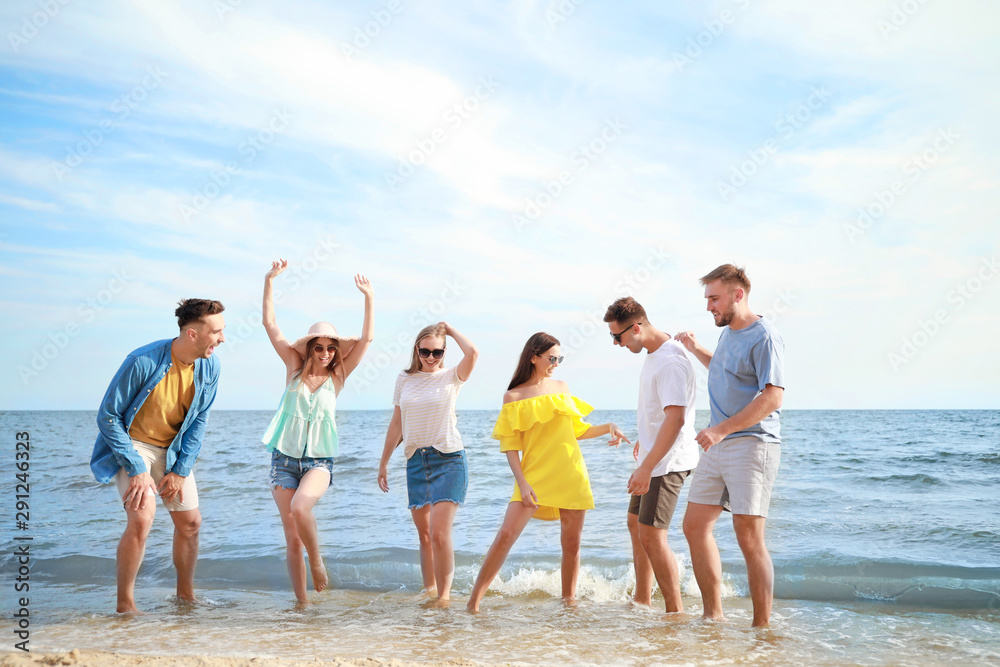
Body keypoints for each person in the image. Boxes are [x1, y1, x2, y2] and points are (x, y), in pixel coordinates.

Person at [467, 332, 630, 612]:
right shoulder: (513, 397)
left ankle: (569, 604)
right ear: (534, 357)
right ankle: (473, 602)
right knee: (506, 535)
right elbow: (510, 446)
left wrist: (610, 426)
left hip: (570, 472)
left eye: (560, 358)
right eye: (552, 358)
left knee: (572, 544)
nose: (556, 363)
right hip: (532, 476)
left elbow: (577, 431)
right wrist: (522, 482)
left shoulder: (562, 387)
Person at [91, 298, 226, 613]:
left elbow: (199, 421)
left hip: (173, 449)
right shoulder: (142, 360)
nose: (222, 338)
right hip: (133, 445)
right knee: (141, 519)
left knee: (191, 523)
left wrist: (180, 470)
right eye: (217, 331)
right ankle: (126, 605)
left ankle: (185, 596)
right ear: (192, 334)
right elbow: (108, 416)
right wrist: (136, 469)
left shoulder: (211, 366)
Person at [675, 264, 785, 627]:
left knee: (748, 537)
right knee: (693, 526)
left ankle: (762, 628)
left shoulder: (763, 336)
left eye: (714, 298)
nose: (709, 307)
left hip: (752, 444)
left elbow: (772, 397)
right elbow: (723, 369)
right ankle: (713, 616)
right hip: (718, 442)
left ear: (738, 295)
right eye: (707, 299)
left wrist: (721, 430)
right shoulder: (727, 334)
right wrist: (694, 349)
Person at [260, 260, 374, 604]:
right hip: (283, 461)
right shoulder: (293, 369)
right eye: (319, 347)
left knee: (300, 507)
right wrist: (269, 281)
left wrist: (368, 297)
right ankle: (302, 604)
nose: (326, 353)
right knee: (291, 539)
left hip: (319, 463)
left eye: (331, 348)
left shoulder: (337, 377)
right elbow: (270, 324)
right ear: (309, 348)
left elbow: (367, 338)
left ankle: (318, 560)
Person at [604, 296, 698, 613]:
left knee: (652, 536)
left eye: (617, 336)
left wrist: (647, 465)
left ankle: (675, 612)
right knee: (635, 524)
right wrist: (644, 442)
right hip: (654, 455)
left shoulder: (670, 361)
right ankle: (642, 599)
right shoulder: (655, 351)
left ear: (637, 326)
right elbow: (660, 413)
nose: (616, 344)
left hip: (667, 463)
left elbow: (676, 419)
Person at [377, 322, 479, 604]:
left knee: (439, 532)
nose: (431, 358)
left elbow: (473, 353)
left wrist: (451, 329)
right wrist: (384, 462)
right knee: (424, 536)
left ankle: (444, 598)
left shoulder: (452, 377)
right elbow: (397, 423)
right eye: (425, 352)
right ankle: (429, 592)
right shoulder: (404, 379)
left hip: (449, 460)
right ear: (417, 350)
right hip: (416, 463)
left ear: (444, 351)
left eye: (437, 352)